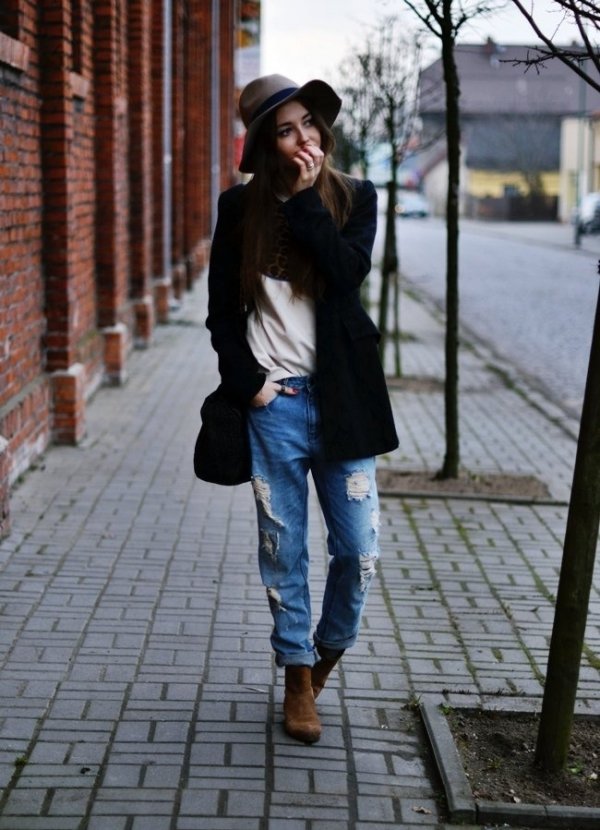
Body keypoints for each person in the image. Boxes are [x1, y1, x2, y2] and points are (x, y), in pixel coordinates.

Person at [206, 74, 398, 744]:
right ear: (265, 143)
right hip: (275, 404)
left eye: (309, 124)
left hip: (344, 404)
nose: (304, 138)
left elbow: (346, 276)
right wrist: (248, 381)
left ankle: (325, 657)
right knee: (283, 549)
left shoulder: (355, 198)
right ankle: (294, 676)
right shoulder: (239, 210)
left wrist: (309, 200)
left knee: (359, 553)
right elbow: (221, 316)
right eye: (286, 129)